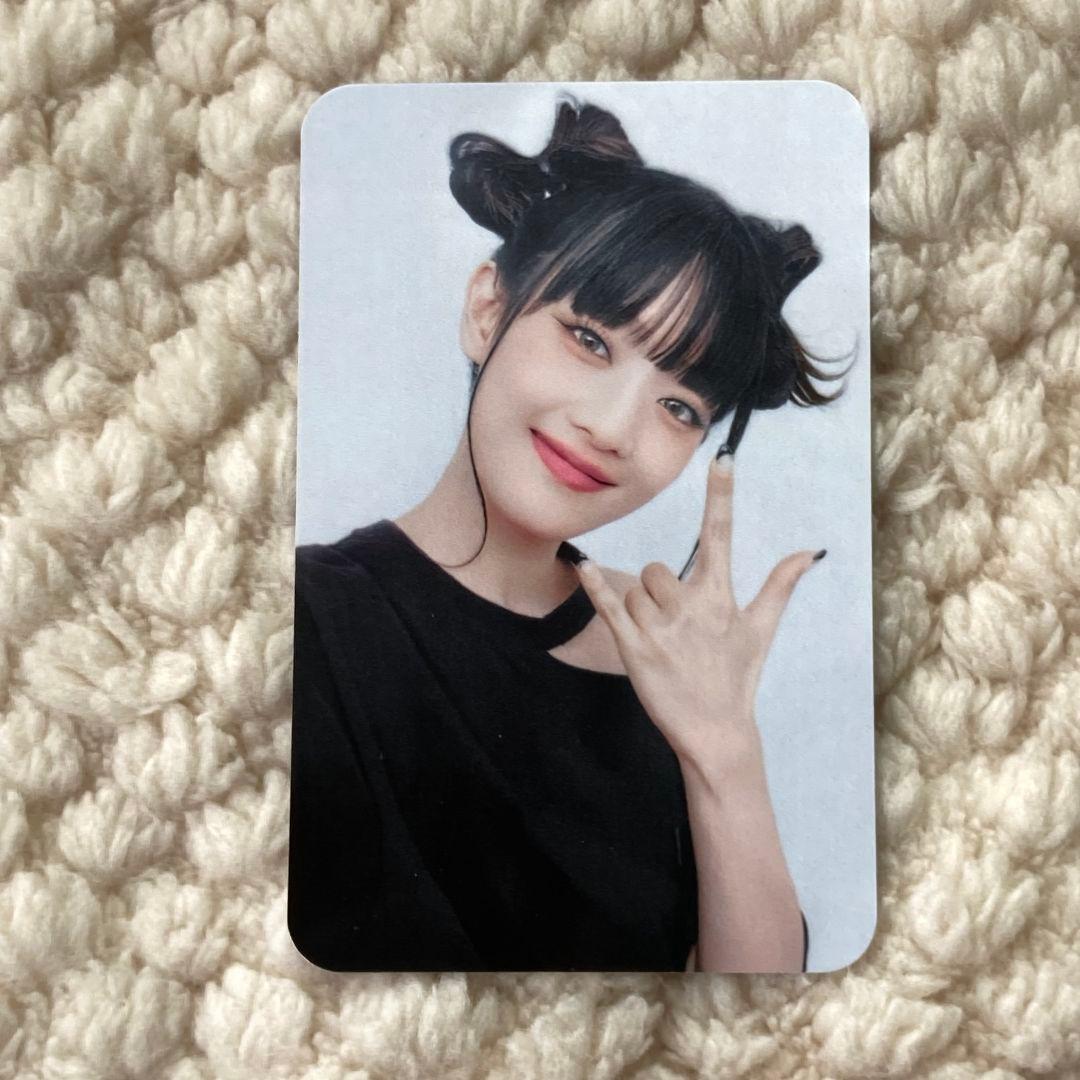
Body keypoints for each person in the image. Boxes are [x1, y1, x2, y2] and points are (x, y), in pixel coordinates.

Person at [288, 93, 850, 973]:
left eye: (679, 407)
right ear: (488, 309)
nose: (614, 428)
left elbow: (762, 1016)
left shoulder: (669, 657)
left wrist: (725, 748)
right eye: (589, 340)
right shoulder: (310, 618)